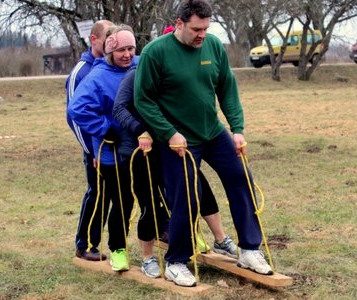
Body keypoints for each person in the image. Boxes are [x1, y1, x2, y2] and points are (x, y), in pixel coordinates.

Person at [134, 0, 273, 287]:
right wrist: (168, 133)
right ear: (180, 23)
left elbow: (227, 88)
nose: (202, 34)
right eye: (196, 29)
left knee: (240, 178)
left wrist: (237, 129)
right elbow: (143, 100)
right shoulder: (155, 52)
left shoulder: (213, 46)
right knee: (188, 196)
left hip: (213, 132)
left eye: (206, 28)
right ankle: (176, 262)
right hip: (178, 140)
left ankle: (249, 250)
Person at [112, 69, 239, 274]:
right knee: (151, 202)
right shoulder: (137, 75)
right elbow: (119, 108)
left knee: (199, 188)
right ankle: (147, 258)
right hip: (142, 148)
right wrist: (140, 131)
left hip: (171, 144)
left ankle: (220, 239)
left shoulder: (174, 72)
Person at [68, 24, 140, 272]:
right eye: (121, 50)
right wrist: (105, 129)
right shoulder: (96, 77)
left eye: (131, 48)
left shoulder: (138, 66)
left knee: (140, 196)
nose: (127, 54)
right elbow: (77, 110)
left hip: (139, 147)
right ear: (110, 51)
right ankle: (106, 247)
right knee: (116, 199)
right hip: (109, 151)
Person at [66, 19, 114, 261]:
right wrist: (92, 152)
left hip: (115, 147)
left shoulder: (109, 66)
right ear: (94, 39)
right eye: (107, 36)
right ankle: (84, 244)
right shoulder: (82, 72)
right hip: (95, 150)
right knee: (97, 194)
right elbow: (75, 118)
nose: (110, 41)